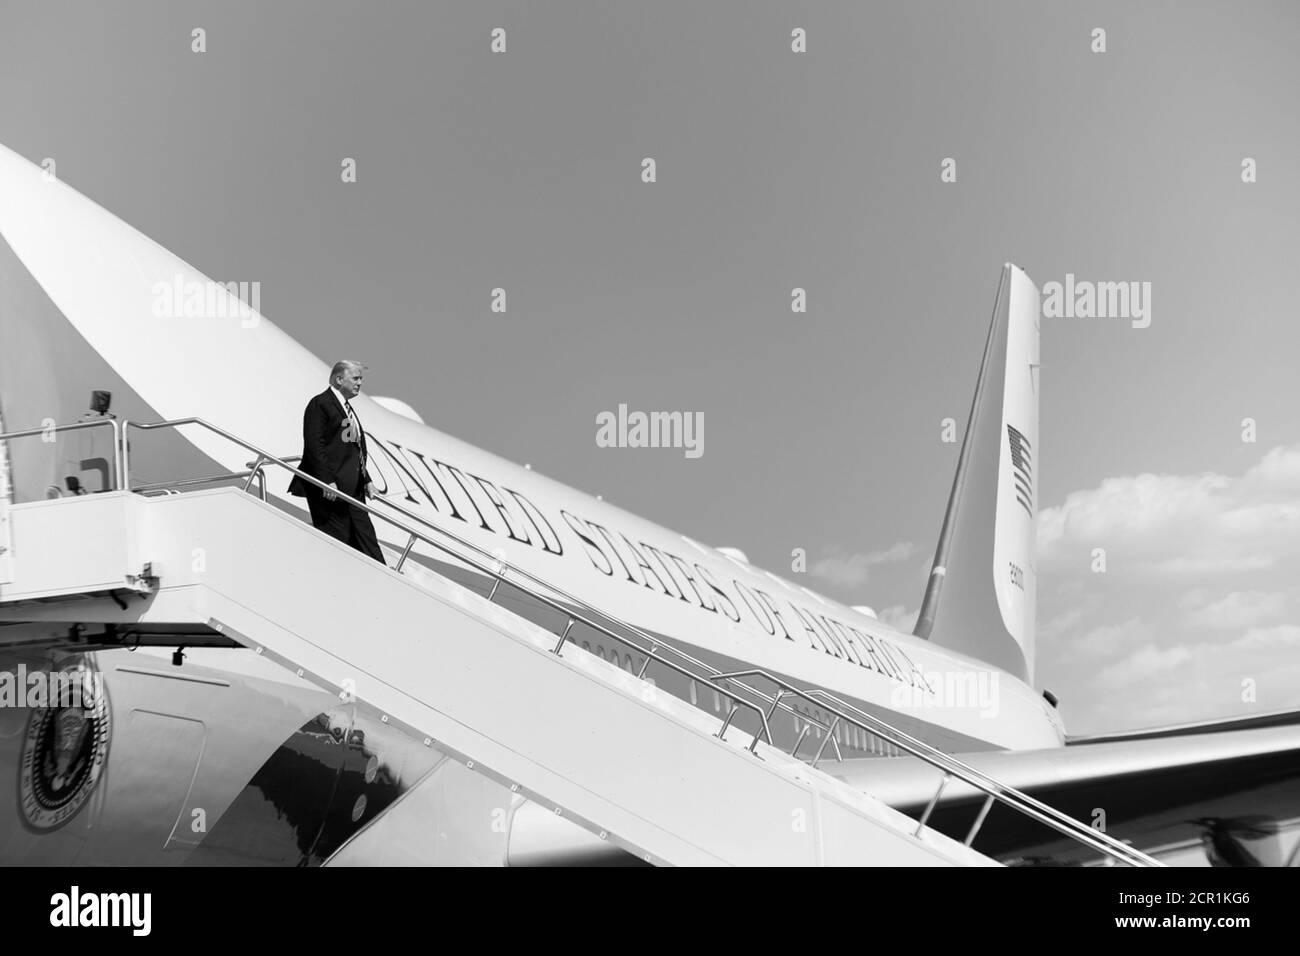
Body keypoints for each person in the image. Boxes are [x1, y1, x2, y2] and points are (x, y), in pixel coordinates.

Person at [288, 360, 385, 564]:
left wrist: (366, 479)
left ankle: (386, 580)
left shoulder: (347, 408)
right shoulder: (321, 404)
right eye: (355, 378)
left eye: (361, 379)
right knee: (338, 540)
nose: (360, 383)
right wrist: (326, 479)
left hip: (353, 489)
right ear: (339, 379)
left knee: (367, 539)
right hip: (331, 489)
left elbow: (353, 448)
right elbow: (314, 444)